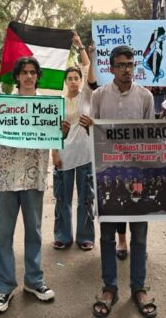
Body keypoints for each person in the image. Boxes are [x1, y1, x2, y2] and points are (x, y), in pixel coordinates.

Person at [85, 45, 158, 318]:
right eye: (121, 65)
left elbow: (151, 136)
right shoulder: (99, 95)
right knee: (106, 235)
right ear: (111, 68)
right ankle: (109, 288)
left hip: (137, 176)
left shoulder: (146, 96)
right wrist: (88, 127)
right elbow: (94, 134)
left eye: (130, 64)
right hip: (108, 177)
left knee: (139, 235)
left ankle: (139, 288)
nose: (127, 69)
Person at [0, 56, 56, 314]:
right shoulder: (4, 105)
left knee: (34, 233)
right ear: (17, 76)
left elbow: (55, 137)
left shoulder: (48, 106)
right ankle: (4, 287)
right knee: (4, 236)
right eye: (24, 72)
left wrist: (60, 130)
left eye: (32, 72)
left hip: (33, 178)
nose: (28, 76)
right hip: (7, 180)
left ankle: (34, 281)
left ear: (38, 76)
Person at [52, 32, 98, 250]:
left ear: (80, 81)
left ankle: (85, 237)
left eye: (76, 78)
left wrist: (80, 46)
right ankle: (63, 236)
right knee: (62, 198)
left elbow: (88, 69)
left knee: (86, 198)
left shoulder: (86, 96)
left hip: (85, 155)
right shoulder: (58, 103)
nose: (73, 81)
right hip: (64, 155)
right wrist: (54, 153)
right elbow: (52, 131)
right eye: (69, 78)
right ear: (65, 81)